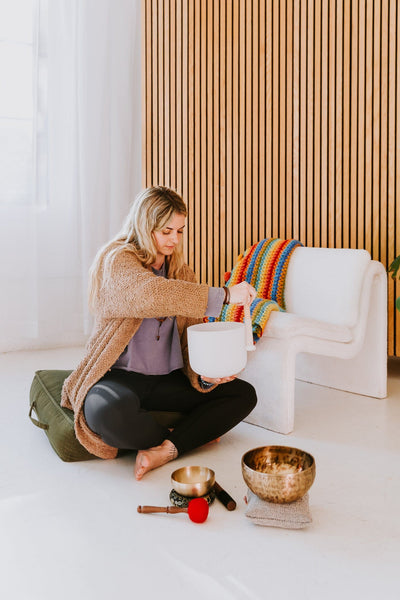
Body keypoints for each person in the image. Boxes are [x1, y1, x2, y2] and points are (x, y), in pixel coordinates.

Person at [61, 186, 257, 480]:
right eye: (166, 231)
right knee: (107, 413)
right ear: (145, 226)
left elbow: (190, 339)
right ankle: (186, 437)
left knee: (244, 395)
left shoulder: (182, 273)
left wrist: (205, 377)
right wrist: (225, 295)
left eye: (179, 231)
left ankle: (164, 450)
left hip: (168, 380)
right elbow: (150, 294)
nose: (174, 239)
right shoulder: (118, 260)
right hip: (119, 377)